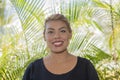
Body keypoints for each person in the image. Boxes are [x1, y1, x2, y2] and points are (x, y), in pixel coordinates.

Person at [22, 14, 99, 80]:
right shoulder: (33, 69)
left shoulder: (85, 67)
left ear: (70, 34)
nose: (57, 36)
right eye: (50, 32)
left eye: (62, 31)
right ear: (44, 36)